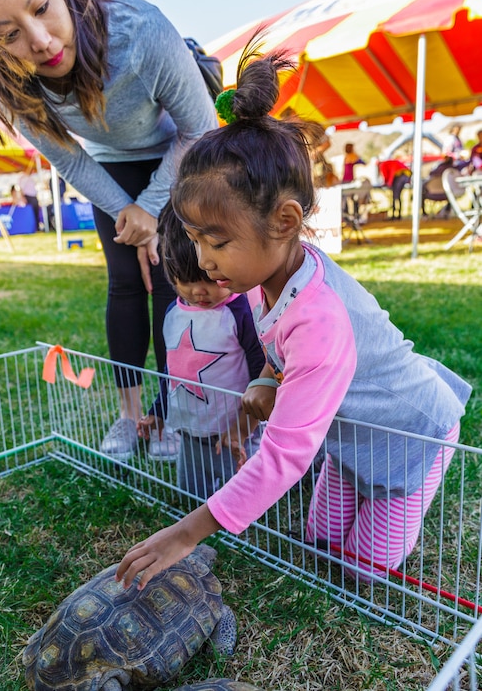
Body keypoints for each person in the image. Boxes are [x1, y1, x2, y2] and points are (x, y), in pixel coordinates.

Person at [116, 38, 472, 591]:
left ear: (284, 221)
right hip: (349, 437)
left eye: (216, 240)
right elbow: (284, 352)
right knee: (319, 539)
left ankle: (401, 493)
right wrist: (265, 375)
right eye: (194, 239)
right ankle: (352, 484)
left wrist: (185, 534)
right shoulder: (267, 273)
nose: (205, 259)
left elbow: (284, 457)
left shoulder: (321, 316)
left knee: (360, 570)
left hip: (409, 438)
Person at [0, 0, 217, 457]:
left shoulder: (143, 30)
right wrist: (128, 213)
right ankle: (132, 417)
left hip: (179, 156)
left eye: (41, 8)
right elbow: (74, 163)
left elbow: (201, 129)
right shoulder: (5, 83)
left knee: (174, 287)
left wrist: (154, 207)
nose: (39, 41)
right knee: (127, 282)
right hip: (108, 169)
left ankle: (173, 411)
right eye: (8, 34)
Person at [116, 202, 264, 495]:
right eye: (185, 281)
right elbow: (172, 370)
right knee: (191, 495)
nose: (199, 291)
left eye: (210, 280)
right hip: (190, 431)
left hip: (233, 433)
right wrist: (158, 411)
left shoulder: (241, 312)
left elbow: (263, 372)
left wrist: (244, 427)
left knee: (242, 498)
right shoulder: (172, 313)